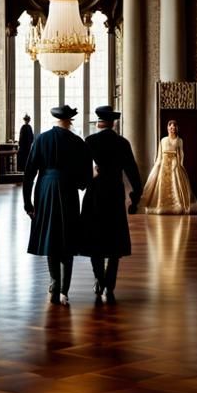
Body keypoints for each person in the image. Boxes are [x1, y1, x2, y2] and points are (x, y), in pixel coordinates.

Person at [22, 104, 91, 305]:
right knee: (67, 237)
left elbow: (29, 173)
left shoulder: (41, 139)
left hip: (45, 191)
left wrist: (28, 203)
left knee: (51, 236)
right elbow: (84, 173)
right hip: (67, 190)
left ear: (55, 119)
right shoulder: (77, 142)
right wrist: (81, 184)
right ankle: (65, 290)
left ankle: (53, 282)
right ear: (69, 121)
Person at [79, 106, 142, 303]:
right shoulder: (122, 143)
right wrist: (135, 195)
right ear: (114, 123)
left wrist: (83, 183)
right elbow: (132, 171)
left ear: (99, 122)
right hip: (115, 194)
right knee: (114, 240)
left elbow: (81, 170)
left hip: (95, 194)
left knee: (95, 238)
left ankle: (98, 278)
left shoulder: (89, 141)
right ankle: (110, 284)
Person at [138, 119, 193, 214]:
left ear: (176, 128)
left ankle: (176, 205)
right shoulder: (163, 140)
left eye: (174, 127)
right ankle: (160, 204)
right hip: (164, 163)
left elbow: (181, 153)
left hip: (174, 163)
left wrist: (180, 164)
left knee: (175, 184)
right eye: (170, 127)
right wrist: (157, 164)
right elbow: (159, 154)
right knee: (161, 183)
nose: (172, 129)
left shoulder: (179, 140)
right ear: (168, 128)